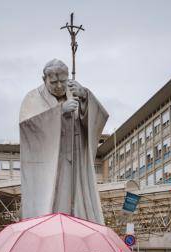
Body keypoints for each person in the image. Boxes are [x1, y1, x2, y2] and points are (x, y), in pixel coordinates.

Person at [19, 59, 108, 222]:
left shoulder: (74, 92)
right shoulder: (32, 98)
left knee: (77, 209)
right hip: (51, 166)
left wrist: (85, 97)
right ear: (44, 79)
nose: (59, 86)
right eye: (54, 82)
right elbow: (28, 127)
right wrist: (59, 112)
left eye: (63, 81)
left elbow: (99, 119)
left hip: (75, 164)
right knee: (53, 206)